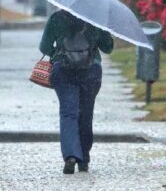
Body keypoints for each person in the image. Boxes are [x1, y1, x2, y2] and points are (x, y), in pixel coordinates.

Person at [40, 9, 113, 174]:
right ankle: (84, 159)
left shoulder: (56, 18)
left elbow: (44, 46)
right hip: (91, 70)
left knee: (68, 113)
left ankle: (71, 155)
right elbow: (108, 48)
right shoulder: (95, 17)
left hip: (63, 70)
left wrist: (59, 55)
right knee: (86, 114)